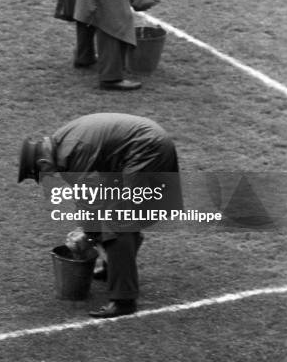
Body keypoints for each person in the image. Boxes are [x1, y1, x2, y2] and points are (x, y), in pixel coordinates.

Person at [17, 113, 183, 318]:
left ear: (43, 161)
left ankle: (124, 300)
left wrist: (86, 236)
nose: (48, 178)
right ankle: (111, 267)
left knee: (118, 222)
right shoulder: (61, 147)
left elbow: (92, 203)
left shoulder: (72, 153)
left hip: (146, 149)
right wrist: (89, 232)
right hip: (138, 148)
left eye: (41, 175)